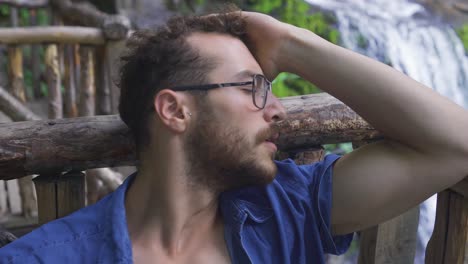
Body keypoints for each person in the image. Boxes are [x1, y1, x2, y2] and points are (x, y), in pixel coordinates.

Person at [1, 7, 467, 264]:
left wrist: (291, 45)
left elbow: (456, 144)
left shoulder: (287, 208)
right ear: (174, 110)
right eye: (254, 88)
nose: (279, 110)